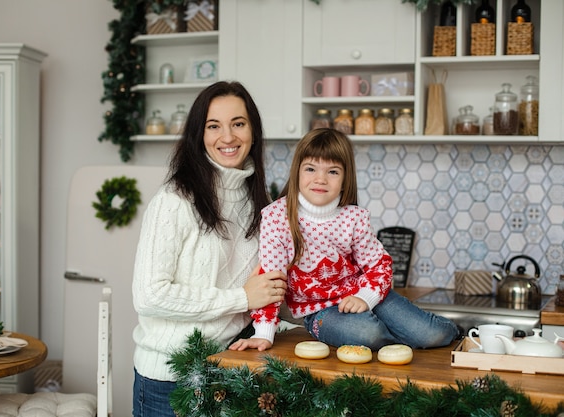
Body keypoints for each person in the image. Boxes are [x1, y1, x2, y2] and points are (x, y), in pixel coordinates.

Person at [131, 81, 287, 417]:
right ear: (198, 135)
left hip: (232, 368)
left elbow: (265, 286)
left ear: (253, 132)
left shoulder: (258, 202)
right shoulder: (174, 201)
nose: (227, 137)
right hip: (171, 380)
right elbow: (149, 295)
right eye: (213, 126)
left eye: (238, 124)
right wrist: (241, 299)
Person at [229, 128, 459, 353]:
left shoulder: (354, 218)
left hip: (365, 293)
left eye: (333, 172)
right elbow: (271, 280)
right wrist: (263, 332)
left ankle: (454, 331)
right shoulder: (277, 218)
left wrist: (365, 297)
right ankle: (401, 340)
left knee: (432, 334)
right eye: (310, 169)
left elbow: (379, 265)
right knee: (367, 334)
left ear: (345, 177)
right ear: (297, 171)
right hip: (320, 311)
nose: (321, 179)